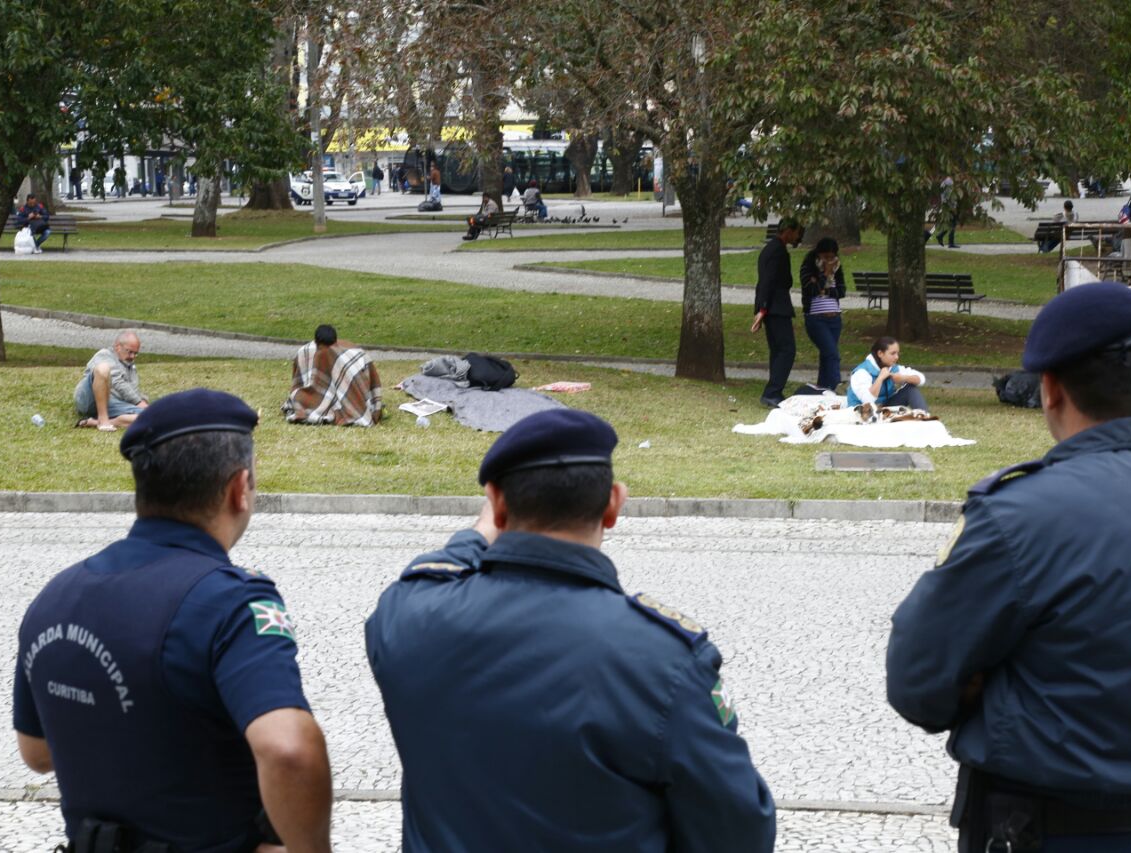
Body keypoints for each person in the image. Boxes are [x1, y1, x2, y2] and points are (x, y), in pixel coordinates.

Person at [887, 283, 1131, 853]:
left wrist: (995, 685)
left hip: (1044, 832)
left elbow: (916, 681)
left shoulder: (1017, 516)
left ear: (1050, 391)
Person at [366, 409, 776, 852]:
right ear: (614, 505)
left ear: (497, 504)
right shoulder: (664, 659)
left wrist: (480, 532)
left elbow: (429, 575)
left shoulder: (408, 619)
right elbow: (738, 831)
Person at [13, 389, 334, 852]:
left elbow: (37, 752)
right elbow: (289, 750)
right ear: (239, 488)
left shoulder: (56, 594)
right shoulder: (230, 603)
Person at [281, 324, 384, 426]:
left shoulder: (351, 358)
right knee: (300, 400)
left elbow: (363, 382)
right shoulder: (305, 352)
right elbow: (299, 382)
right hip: (314, 395)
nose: (326, 352)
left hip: (338, 401)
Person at [751, 218, 803, 407]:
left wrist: (762, 308)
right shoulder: (777, 251)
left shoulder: (772, 248)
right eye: (796, 232)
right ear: (788, 231)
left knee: (778, 350)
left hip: (772, 306)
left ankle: (775, 390)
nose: (798, 236)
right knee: (787, 349)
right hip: (776, 307)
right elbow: (768, 280)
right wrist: (763, 308)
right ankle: (772, 391)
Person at [73, 331, 148, 431]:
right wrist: (138, 402)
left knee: (150, 416)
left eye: (135, 353)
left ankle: (97, 422)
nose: (132, 356)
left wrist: (143, 402)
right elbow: (117, 382)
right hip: (89, 399)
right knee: (103, 368)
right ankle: (103, 421)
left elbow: (132, 389)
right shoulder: (104, 355)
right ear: (117, 347)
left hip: (112, 403)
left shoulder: (130, 365)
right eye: (130, 352)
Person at [799, 237, 846, 391]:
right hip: (816, 319)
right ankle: (836, 385)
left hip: (834, 319)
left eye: (832, 257)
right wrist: (825, 274)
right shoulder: (808, 268)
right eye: (826, 257)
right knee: (832, 354)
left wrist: (824, 290)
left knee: (826, 355)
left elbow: (842, 291)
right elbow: (811, 290)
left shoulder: (837, 269)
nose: (830, 261)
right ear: (818, 255)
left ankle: (823, 389)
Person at [845, 336, 928, 410]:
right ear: (880, 353)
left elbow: (921, 379)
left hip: (883, 409)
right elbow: (868, 401)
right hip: (862, 412)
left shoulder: (893, 367)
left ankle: (925, 419)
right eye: (893, 353)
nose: (896, 357)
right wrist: (880, 378)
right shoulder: (862, 372)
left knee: (910, 389)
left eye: (897, 353)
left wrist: (904, 378)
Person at [934, 177, 961, 248]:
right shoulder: (949, 182)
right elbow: (950, 197)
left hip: (946, 206)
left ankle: (940, 236)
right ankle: (950, 242)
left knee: (950, 224)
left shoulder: (944, 182)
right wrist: (953, 208)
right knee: (953, 224)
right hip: (950, 207)